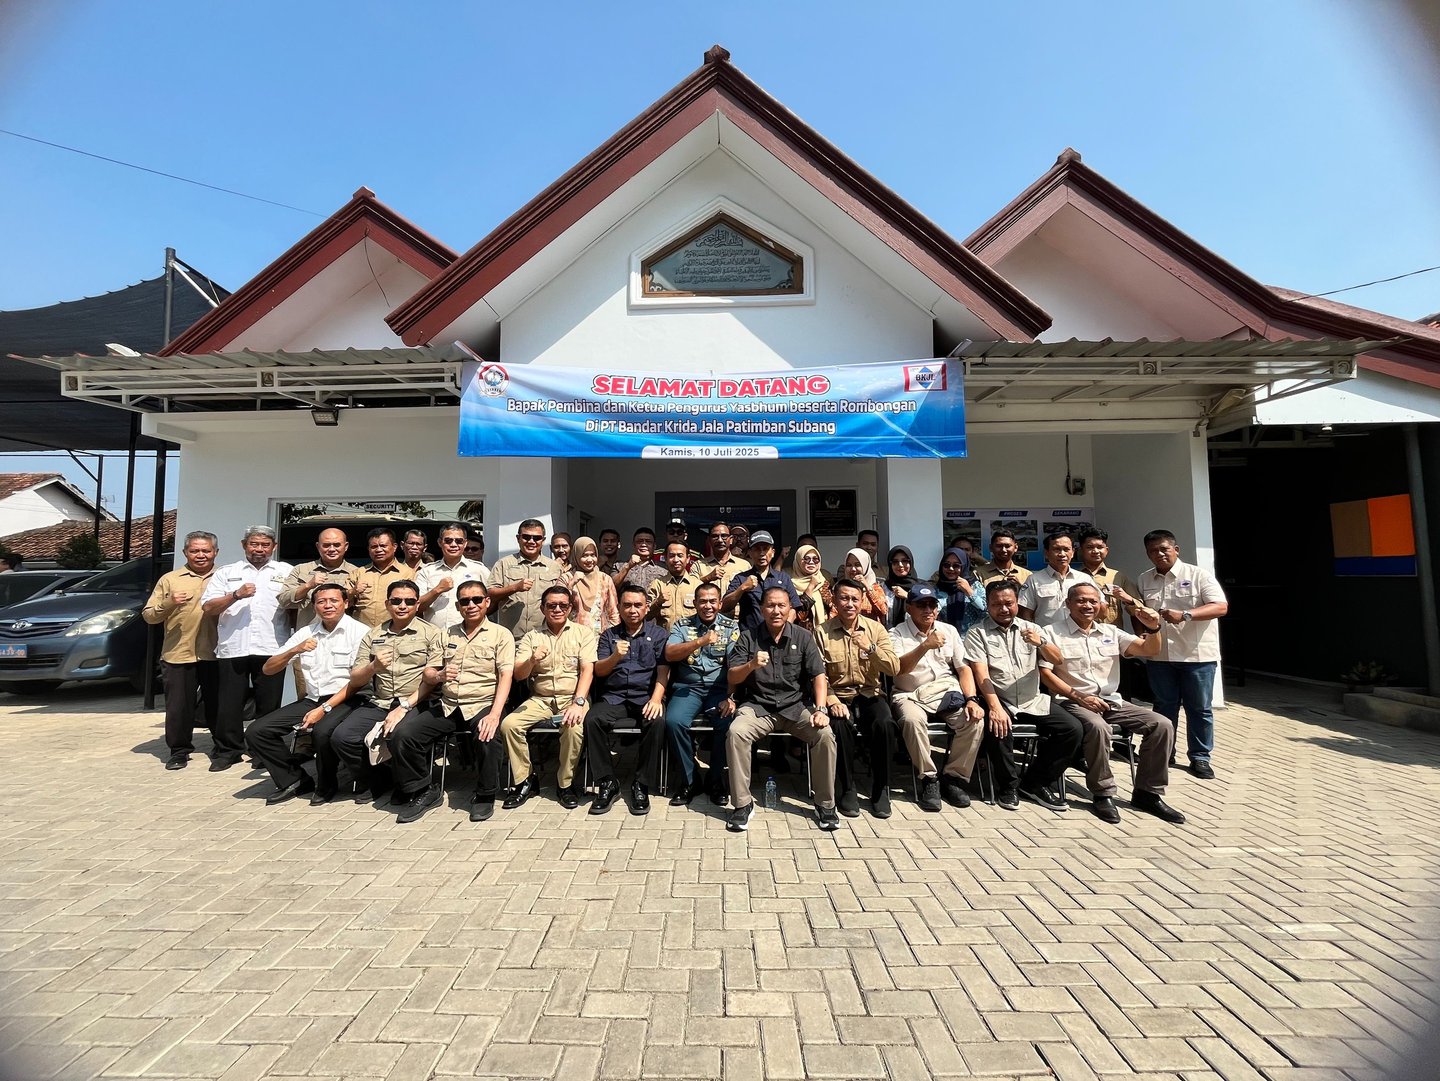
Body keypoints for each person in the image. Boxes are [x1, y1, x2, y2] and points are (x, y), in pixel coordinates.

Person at [1041, 583, 1181, 825]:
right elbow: (1046, 674)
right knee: (1098, 728)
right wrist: (1079, 696)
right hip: (1072, 701)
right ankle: (1103, 793)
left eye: (1093, 601)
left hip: (1110, 701)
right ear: (1068, 604)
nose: (1087, 605)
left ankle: (1148, 793)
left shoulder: (1111, 632)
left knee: (1162, 724)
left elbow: (1149, 649)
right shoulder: (1051, 632)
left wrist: (1154, 628)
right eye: (1081, 600)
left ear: (1101, 605)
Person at [327, 580, 446, 818]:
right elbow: (356, 678)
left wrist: (404, 707)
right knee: (342, 738)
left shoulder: (432, 634)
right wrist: (373, 667)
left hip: (416, 700)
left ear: (417, 604)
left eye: (409, 601)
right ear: (387, 604)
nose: (403, 606)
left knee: (401, 735)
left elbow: (432, 680)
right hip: (380, 701)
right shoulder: (373, 634)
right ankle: (380, 779)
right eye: (396, 601)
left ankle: (416, 786)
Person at [725, 587, 839, 832]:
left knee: (824, 735)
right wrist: (751, 665)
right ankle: (742, 804)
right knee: (736, 733)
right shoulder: (748, 637)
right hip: (758, 706)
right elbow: (732, 676)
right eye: (770, 605)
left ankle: (825, 804)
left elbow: (818, 675)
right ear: (761, 609)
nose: (776, 611)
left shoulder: (803, 636)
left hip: (795, 707)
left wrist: (821, 709)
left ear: (790, 609)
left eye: (781, 605)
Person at [245, 583, 368, 804]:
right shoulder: (306, 633)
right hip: (313, 699)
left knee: (321, 731)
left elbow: (358, 682)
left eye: (334, 601)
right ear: (314, 606)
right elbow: (269, 668)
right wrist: (295, 649)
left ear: (346, 603)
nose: (328, 605)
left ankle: (327, 784)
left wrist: (324, 709)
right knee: (257, 731)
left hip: (349, 697)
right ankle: (294, 779)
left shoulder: (360, 632)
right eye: (321, 602)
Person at [963, 580, 1080, 813]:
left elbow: (1057, 660)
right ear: (988, 605)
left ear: (1017, 602)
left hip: (1032, 699)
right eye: (996, 604)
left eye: (1009, 603)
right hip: (999, 697)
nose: (1003, 609)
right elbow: (981, 674)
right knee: (998, 727)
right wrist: (995, 708)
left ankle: (1035, 782)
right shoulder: (977, 632)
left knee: (1072, 729)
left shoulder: (1033, 629)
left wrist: (1041, 643)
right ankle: (1008, 786)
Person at [200, 526, 294, 772]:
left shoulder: (286, 572)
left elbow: (295, 605)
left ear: (274, 547)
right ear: (244, 545)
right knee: (229, 703)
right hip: (234, 646)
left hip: (271, 646)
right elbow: (208, 608)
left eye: (265, 545)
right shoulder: (227, 572)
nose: (259, 549)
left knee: (269, 704)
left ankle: (263, 750)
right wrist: (235, 595)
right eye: (254, 544)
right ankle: (228, 751)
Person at [1138, 529, 1230, 780]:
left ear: (1176, 550)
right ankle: (1164, 752)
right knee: (1163, 707)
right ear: (1147, 554)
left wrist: (1186, 615)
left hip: (1196, 656)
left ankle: (1200, 757)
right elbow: (1141, 613)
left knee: (1199, 709)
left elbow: (1220, 607)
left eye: (1164, 549)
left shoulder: (1198, 575)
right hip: (1160, 656)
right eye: (1153, 551)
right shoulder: (1145, 579)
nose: (1159, 554)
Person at [500, 585, 597, 809]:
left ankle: (565, 784)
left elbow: (587, 671)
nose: (557, 609)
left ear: (570, 608)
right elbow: (519, 674)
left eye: (563, 605)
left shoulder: (583, 633)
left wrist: (578, 703)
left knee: (573, 727)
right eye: (551, 605)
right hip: (540, 699)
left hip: (572, 697)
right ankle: (525, 780)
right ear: (543, 608)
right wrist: (532, 660)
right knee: (509, 725)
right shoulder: (531, 637)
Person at [889, 584, 984, 811]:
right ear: (909, 608)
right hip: (909, 694)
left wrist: (972, 699)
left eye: (932, 604)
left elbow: (963, 669)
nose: (928, 610)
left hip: (944, 692)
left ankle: (953, 778)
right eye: (921, 605)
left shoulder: (949, 631)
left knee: (974, 720)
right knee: (912, 721)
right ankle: (929, 779)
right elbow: (898, 669)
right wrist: (925, 646)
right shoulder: (896, 633)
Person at [816, 578, 902, 818]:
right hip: (839, 695)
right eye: (844, 598)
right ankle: (847, 787)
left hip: (869, 693)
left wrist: (870, 648)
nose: (850, 604)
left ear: (862, 601)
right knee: (839, 726)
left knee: (885, 724)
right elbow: (818, 674)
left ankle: (881, 788)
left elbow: (894, 667)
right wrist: (831, 700)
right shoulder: (822, 632)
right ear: (835, 601)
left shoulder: (876, 629)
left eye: (855, 599)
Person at [584, 583, 671, 815]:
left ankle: (641, 784)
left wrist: (656, 700)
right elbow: (599, 671)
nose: (633, 610)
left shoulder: (659, 634)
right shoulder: (608, 635)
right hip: (615, 696)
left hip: (645, 697)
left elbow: (663, 671)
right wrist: (615, 656)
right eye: (627, 605)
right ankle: (607, 782)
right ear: (620, 608)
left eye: (638, 605)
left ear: (646, 608)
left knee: (657, 721)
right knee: (592, 720)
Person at [142, 530, 220, 771]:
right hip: (178, 652)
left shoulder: (225, 577)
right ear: (185, 552)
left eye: (206, 550)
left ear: (215, 552)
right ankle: (179, 751)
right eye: (195, 551)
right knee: (179, 706)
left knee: (219, 704)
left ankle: (223, 747)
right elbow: (149, 616)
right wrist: (169, 602)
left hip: (216, 652)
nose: (201, 555)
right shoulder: (170, 579)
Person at [437, 582, 515, 822]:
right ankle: (420, 788)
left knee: (487, 736)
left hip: (483, 702)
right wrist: (438, 675)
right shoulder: (447, 634)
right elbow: (430, 670)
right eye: (465, 601)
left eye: (477, 599)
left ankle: (485, 795)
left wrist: (495, 714)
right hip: (449, 704)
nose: (471, 605)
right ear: (458, 606)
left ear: (487, 602)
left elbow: (506, 675)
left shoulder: (501, 634)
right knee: (407, 733)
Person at [663, 581, 739, 805]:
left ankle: (716, 780)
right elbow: (670, 653)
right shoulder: (682, 625)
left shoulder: (731, 627)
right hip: (689, 688)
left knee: (727, 724)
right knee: (673, 722)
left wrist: (731, 698)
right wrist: (700, 641)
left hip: (719, 689)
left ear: (720, 603)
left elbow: (735, 666)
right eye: (703, 601)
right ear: (695, 603)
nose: (708, 606)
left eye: (712, 601)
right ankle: (690, 779)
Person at [278, 527, 359, 696]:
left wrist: (352, 594)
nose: (332, 549)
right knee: (306, 693)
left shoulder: (357, 572)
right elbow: (283, 600)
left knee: (343, 694)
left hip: (344, 643)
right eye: (326, 545)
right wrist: (308, 585)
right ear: (318, 546)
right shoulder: (301, 570)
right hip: (308, 642)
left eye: (337, 545)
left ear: (346, 546)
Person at [489, 519, 566, 638]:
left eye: (537, 538)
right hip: (511, 638)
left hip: (544, 637)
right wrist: (515, 587)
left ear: (543, 540)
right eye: (526, 537)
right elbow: (490, 594)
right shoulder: (504, 564)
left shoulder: (554, 567)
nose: (531, 541)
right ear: (518, 538)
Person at [416, 522, 490, 630]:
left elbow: (491, 601)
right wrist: (437, 590)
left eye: (459, 541)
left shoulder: (479, 570)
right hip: (435, 634)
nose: (453, 545)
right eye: (448, 541)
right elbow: (416, 607)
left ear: (465, 543)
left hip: (469, 634)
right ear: (440, 542)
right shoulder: (427, 571)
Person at [1018, 532, 1096, 630]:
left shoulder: (1084, 578)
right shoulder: (1034, 580)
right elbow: (1025, 615)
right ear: (1046, 553)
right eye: (1056, 549)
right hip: (1046, 636)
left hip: (1079, 636)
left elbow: (1101, 608)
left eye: (1066, 549)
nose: (1062, 554)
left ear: (1073, 552)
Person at [723, 530, 799, 631]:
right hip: (750, 637)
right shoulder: (741, 578)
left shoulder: (783, 578)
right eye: (757, 549)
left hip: (778, 636)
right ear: (750, 553)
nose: (762, 553)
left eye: (765, 549)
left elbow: (793, 608)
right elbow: (725, 607)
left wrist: (783, 631)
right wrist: (742, 589)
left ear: (773, 552)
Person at [347, 528, 409, 628]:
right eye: (374, 547)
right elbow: (342, 603)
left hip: (395, 631)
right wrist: (353, 591)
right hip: (362, 632)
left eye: (383, 546)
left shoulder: (408, 574)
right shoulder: (358, 573)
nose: (379, 550)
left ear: (394, 547)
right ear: (368, 549)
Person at [567, 536, 619, 631]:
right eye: (584, 556)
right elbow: (559, 604)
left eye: (593, 555)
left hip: (600, 635)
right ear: (576, 555)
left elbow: (613, 611)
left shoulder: (605, 579)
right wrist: (572, 584)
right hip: (574, 635)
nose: (590, 560)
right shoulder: (567, 578)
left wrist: (614, 635)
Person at [647, 541, 702, 630]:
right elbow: (645, 616)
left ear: (688, 558)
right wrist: (657, 602)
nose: (676, 560)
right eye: (672, 556)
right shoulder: (658, 584)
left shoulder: (697, 585)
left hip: (691, 637)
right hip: (665, 637)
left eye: (680, 556)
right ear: (665, 558)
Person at [933, 547, 985, 634]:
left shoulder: (974, 586)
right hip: (945, 638)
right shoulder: (936, 589)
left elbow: (987, 613)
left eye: (956, 565)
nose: (951, 569)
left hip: (972, 638)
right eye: (946, 565)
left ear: (964, 566)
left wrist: (969, 592)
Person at [841, 548, 891, 624]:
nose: (853, 569)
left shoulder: (875, 588)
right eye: (849, 565)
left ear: (865, 566)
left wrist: (867, 587)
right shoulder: (841, 589)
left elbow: (883, 611)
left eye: (857, 565)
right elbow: (834, 614)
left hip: (871, 630)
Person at [696, 522, 749, 591]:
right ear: (709, 540)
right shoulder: (698, 565)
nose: (720, 540)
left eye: (724, 536)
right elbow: (689, 589)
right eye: (715, 536)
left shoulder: (744, 566)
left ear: (731, 539)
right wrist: (708, 578)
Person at [789, 543, 832, 631]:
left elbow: (832, 608)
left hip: (824, 632)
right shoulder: (790, 584)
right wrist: (811, 587)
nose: (811, 562)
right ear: (798, 560)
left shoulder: (823, 582)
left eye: (815, 559)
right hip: (800, 633)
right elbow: (799, 613)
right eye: (807, 559)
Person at [612, 527, 666, 594]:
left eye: (648, 541)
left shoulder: (664, 569)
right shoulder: (618, 566)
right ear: (634, 545)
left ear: (654, 546)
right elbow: (611, 588)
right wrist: (627, 567)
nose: (643, 544)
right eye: (640, 541)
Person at [882, 545, 919, 625]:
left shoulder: (921, 587)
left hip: (915, 632)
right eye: (895, 562)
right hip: (888, 632)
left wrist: (907, 596)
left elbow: (928, 609)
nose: (900, 565)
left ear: (911, 562)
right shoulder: (883, 588)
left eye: (905, 561)